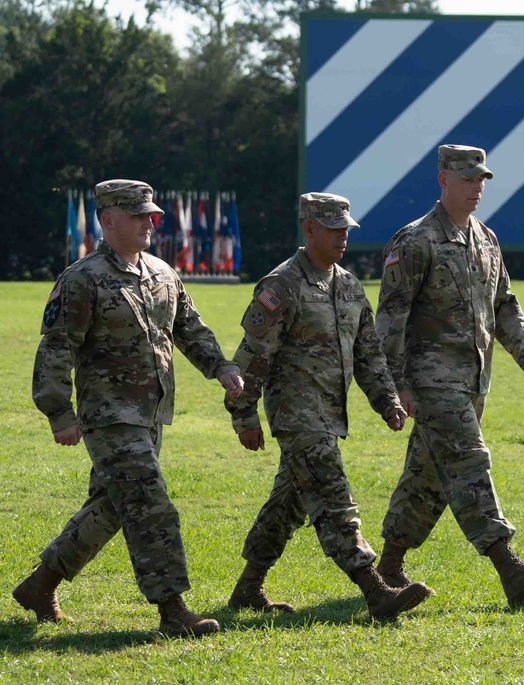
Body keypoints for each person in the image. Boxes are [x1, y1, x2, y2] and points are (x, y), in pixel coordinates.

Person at [16, 179, 244, 637]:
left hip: (151, 414)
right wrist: (59, 412)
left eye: (150, 213)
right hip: (107, 416)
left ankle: (40, 585)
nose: (150, 221)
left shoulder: (162, 272)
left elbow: (188, 327)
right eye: (138, 214)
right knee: (147, 501)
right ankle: (173, 609)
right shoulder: (82, 278)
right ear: (108, 219)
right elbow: (57, 346)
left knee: (112, 506)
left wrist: (220, 366)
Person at [223, 193, 432, 621]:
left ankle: (247, 589)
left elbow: (369, 355)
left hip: (329, 416)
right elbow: (253, 356)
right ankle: (376, 591)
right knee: (333, 497)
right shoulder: (281, 285)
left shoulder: (350, 287)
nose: (342, 237)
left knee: (288, 504)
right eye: (333, 229)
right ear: (309, 229)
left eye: (346, 230)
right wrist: (243, 414)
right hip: (296, 416)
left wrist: (388, 401)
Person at [375, 144, 524, 609]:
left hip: (474, 381)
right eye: (467, 178)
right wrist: (396, 386)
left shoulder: (487, 240)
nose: (477, 187)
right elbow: (391, 319)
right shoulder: (415, 241)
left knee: (428, 477)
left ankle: (388, 566)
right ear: (443, 180)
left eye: (481, 179)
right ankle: (510, 568)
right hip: (431, 381)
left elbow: (504, 306)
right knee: (468, 463)